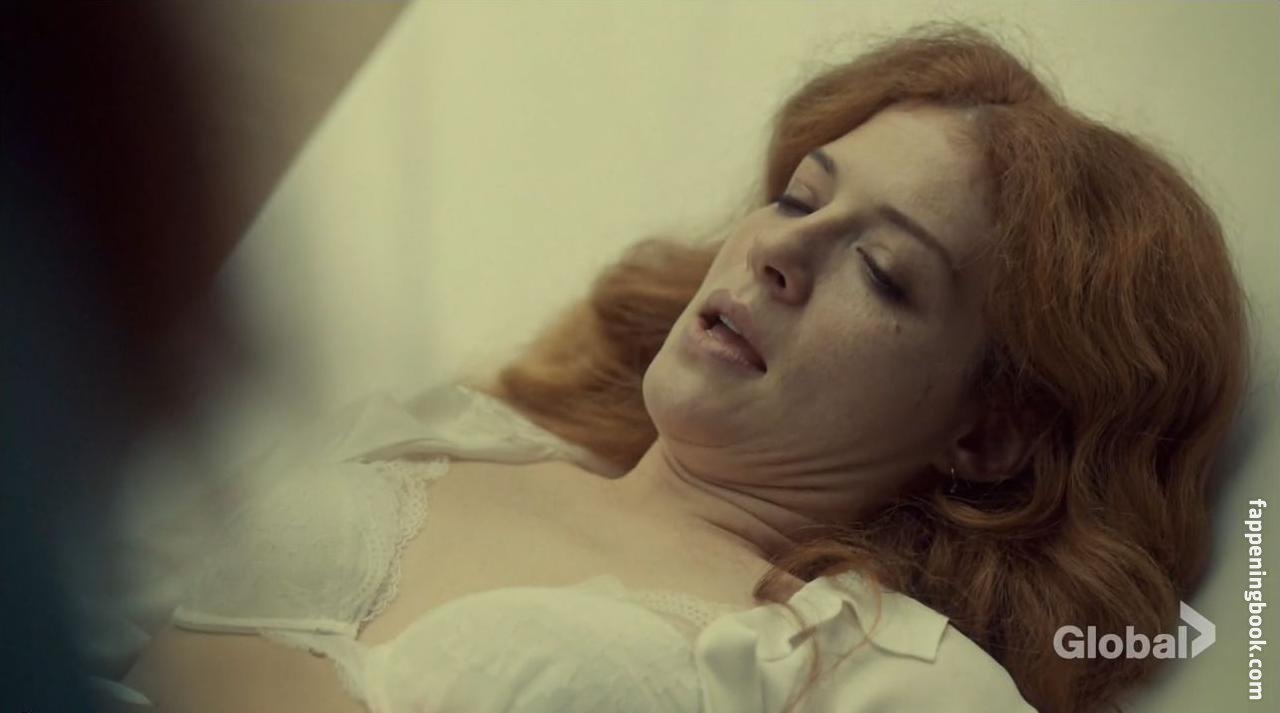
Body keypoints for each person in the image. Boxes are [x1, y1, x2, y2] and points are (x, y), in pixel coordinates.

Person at [118, 24, 1247, 713]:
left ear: (986, 432)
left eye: (882, 270)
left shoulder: (887, 677)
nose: (780, 251)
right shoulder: (435, 427)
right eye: (798, 197)